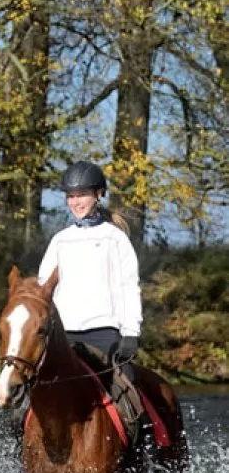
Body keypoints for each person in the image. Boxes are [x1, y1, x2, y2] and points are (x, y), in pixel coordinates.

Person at [38, 160, 142, 390]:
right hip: (63, 335)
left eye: (82, 195)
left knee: (126, 388)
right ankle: (18, 427)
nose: (75, 202)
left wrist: (131, 333)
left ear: (98, 194)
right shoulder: (60, 240)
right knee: (32, 388)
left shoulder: (115, 238)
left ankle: (142, 427)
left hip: (104, 333)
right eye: (71, 196)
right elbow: (43, 288)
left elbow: (128, 287)